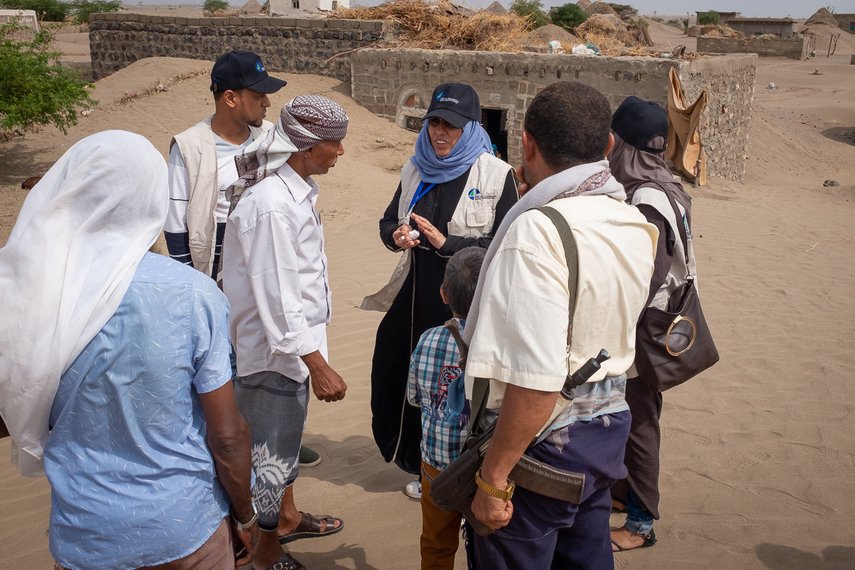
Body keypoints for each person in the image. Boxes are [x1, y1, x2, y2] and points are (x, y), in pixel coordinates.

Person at [0, 131, 258, 569]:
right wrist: (246, 514)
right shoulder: (192, 295)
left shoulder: (22, 292)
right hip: (185, 527)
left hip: (86, 536)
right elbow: (228, 437)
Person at [462, 82, 658, 568]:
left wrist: (493, 479)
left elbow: (535, 381)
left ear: (526, 143)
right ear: (608, 146)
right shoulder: (630, 219)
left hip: (541, 450)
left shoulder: (537, 230)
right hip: (605, 434)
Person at [363, 82, 518, 496]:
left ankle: (467, 473)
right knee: (403, 373)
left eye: (450, 125)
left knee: (460, 390)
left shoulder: (496, 175)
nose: (439, 133)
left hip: (466, 307)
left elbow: (506, 246)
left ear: (470, 127)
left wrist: (447, 245)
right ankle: (420, 465)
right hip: (416, 298)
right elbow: (385, 223)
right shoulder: (415, 167)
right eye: (434, 122)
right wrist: (396, 236)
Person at [221, 95, 350, 570]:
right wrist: (317, 364)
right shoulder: (273, 206)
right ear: (303, 148)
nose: (339, 152)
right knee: (267, 460)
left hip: (292, 354)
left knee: (281, 446)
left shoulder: (293, 194)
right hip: (274, 358)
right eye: (332, 144)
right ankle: (262, 552)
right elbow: (277, 297)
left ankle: (285, 522)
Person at [607, 96, 697, 552]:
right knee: (631, 419)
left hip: (644, 331)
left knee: (640, 425)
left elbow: (645, 277)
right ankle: (623, 495)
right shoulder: (667, 184)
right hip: (656, 326)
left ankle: (641, 525)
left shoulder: (646, 197)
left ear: (623, 145)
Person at [165, 49, 285, 281]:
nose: (267, 102)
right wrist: (192, 284)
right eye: (259, 95)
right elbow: (175, 226)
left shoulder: (271, 137)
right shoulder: (189, 147)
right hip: (213, 266)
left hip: (266, 261)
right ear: (230, 98)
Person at [406, 247, 486, 569]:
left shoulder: (427, 339)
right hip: (482, 466)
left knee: (436, 545)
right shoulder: (496, 343)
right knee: (487, 544)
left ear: (443, 294)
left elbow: (414, 397)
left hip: (435, 466)